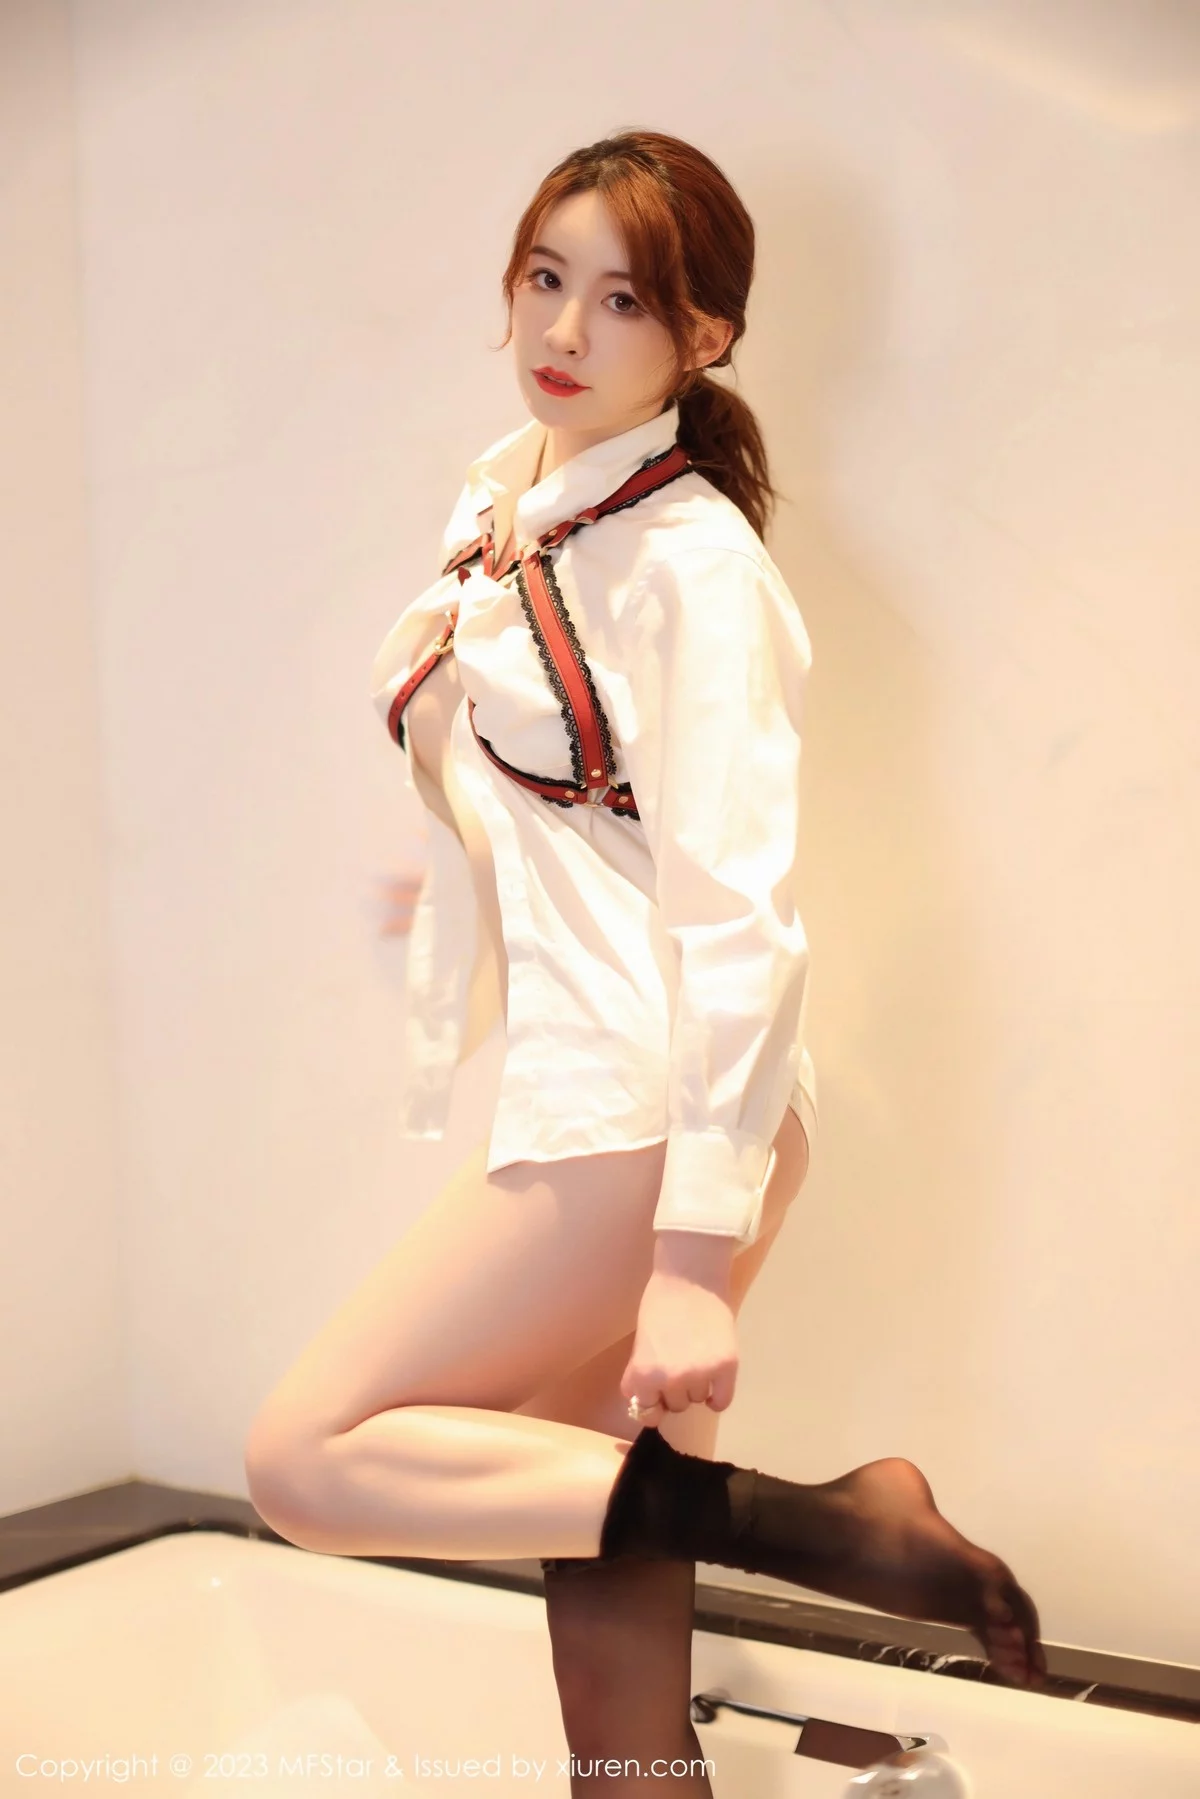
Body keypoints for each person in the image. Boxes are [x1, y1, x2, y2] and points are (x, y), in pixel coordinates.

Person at [244, 130, 1046, 1794]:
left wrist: (689, 1259)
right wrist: (462, 897)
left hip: (654, 1107)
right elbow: (556, 799)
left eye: (623, 300)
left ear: (705, 337)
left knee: (304, 1455)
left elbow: (741, 909)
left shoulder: (696, 568)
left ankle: (820, 1523)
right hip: (623, 1086)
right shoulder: (512, 496)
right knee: (606, 1612)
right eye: (547, 277)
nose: (564, 328)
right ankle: (695, 1678)